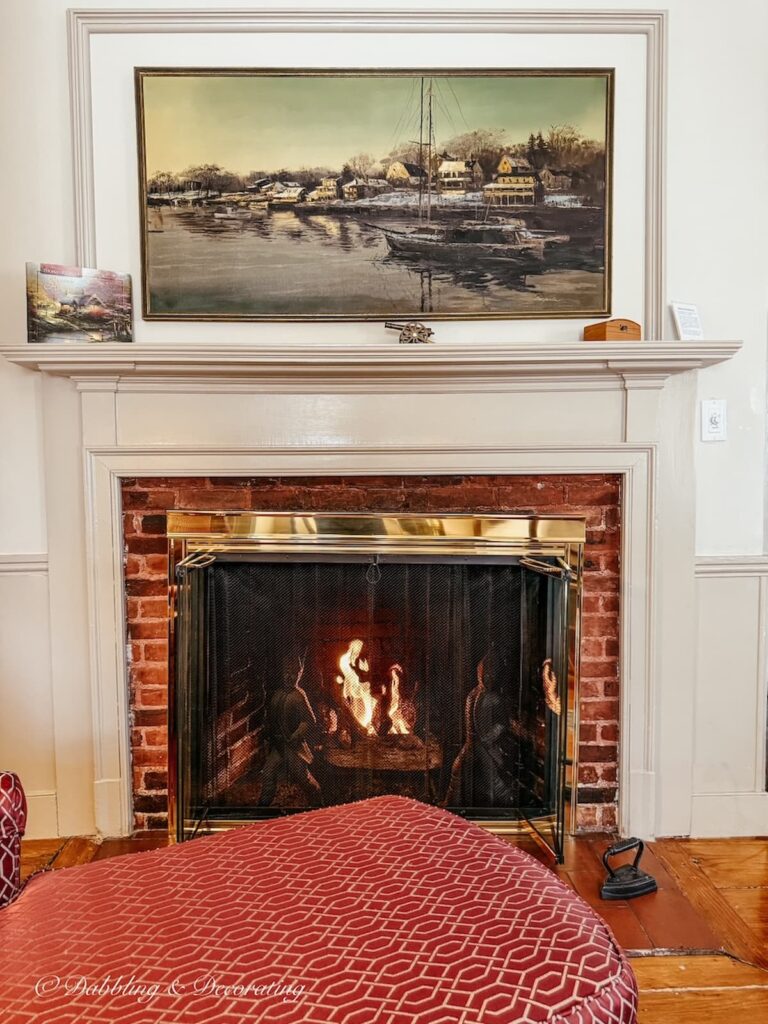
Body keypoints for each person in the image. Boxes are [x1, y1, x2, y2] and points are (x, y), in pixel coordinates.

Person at [446, 647, 517, 807]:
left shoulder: (495, 699)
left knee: (493, 780)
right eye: (483, 674)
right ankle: (450, 806)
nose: (487, 677)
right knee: (457, 770)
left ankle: (509, 803)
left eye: (491, 674)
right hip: (471, 743)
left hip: (485, 746)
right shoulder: (474, 694)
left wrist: (489, 738)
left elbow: (502, 723)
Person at [257, 651, 322, 808]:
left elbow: (309, 720)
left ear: (299, 675)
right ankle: (263, 804)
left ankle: (317, 799)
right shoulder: (277, 694)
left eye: (294, 674)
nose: (289, 677)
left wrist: (296, 735)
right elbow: (272, 716)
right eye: (287, 673)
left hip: (293, 746)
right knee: (268, 772)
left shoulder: (299, 696)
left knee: (301, 775)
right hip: (279, 745)